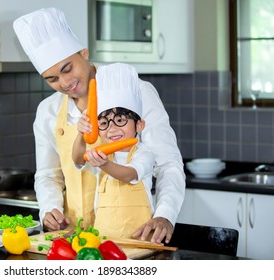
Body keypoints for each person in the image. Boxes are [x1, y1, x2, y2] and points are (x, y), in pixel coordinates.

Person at [13, 7, 185, 243]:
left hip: (130, 236)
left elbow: (167, 163)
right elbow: (48, 175)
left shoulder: (137, 92)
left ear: (84, 54)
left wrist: (166, 215)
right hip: (75, 239)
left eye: (67, 68)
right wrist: (49, 210)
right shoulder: (48, 111)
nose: (65, 83)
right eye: (52, 79)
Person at [72, 63, 155, 239]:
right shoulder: (102, 153)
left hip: (141, 242)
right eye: (104, 123)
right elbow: (78, 158)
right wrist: (81, 134)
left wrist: (105, 165)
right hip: (104, 241)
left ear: (139, 125)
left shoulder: (144, 152)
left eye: (120, 120)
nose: (112, 128)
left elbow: (129, 175)